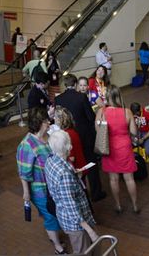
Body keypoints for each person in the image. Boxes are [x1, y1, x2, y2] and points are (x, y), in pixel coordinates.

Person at [16, 107, 63, 253]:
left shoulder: (47, 136)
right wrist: (26, 193)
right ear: (39, 123)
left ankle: (54, 235)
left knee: (54, 214)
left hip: (52, 187)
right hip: (40, 191)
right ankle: (58, 247)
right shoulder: (26, 145)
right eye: (46, 120)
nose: (49, 122)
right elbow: (24, 173)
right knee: (51, 217)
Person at [45, 130, 99, 254]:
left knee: (89, 249)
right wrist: (90, 231)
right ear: (68, 147)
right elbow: (71, 208)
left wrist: (74, 175)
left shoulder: (50, 159)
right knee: (83, 251)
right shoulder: (64, 174)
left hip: (65, 216)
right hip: (76, 224)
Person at [55, 74, 105, 202]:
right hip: (84, 135)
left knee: (74, 164)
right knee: (91, 162)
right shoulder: (81, 97)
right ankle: (96, 192)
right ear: (76, 84)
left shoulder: (58, 99)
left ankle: (81, 192)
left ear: (65, 84)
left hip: (67, 136)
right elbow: (90, 117)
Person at [99, 86, 139, 214]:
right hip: (124, 147)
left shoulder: (102, 112)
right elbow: (133, 132)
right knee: (129, 179)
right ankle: (135, 205)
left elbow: (98, 131)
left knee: (113, 179)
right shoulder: (127, 112)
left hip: (109, 147)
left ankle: (118, 205)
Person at [52, 106, 87, 176]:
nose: (54, 118)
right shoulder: (71, 131)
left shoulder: (66, 134)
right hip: (81, 166)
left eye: (55, 117)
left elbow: (72, 158)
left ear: (60, 120)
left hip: (77, 169)